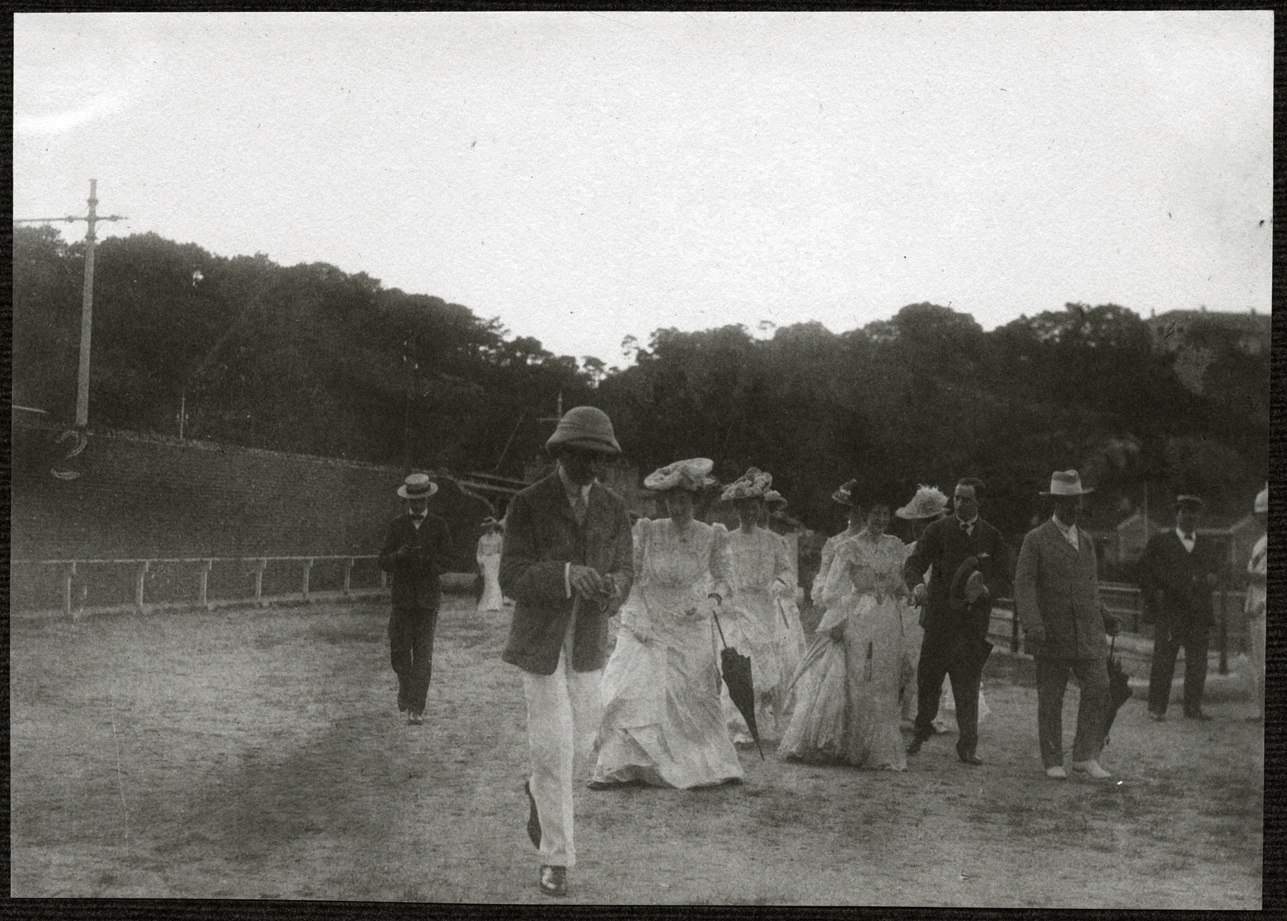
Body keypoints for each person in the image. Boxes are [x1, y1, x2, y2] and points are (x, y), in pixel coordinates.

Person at [499, 406, 634, 898]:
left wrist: (612, 588)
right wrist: (564, 574)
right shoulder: (528, 504)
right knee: (554, 749)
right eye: (584, 458)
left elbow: (625, 571)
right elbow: (510, 575)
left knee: (579, 744)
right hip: (540, 646)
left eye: (601, 459)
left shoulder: (614, 508)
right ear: (563, 453)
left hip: (588, 644)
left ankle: (538, 791)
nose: (593, 469)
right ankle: (557, 859)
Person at [590, 458, 743, 789]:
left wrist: (709, 603)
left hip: (691, 623)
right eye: (672, 500)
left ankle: (704, 762)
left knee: (693, 694)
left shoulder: (711, 535)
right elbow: (632, 577)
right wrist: (639, 616)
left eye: (684, 500)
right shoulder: (649, 530)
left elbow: (725, 581)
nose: (677, 507)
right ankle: (622, 765)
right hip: (649, 617)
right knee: (630, 689)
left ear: (695, 501)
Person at [781, 489, 909, 770]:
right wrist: (844, 613)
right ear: (865, 515)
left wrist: (907, 593)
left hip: (886, 619)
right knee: (861, 679)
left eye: (885, 514)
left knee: (884, 681)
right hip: (859, 618)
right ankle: (856, 747)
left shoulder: (895, 546)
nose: (881, 520)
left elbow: (900, 584)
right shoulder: (849, 547)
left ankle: (879, 750)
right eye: (875, 514)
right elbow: (829, 592)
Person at [1014, 470, 1120, 780]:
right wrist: (1032, 623)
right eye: (1067, 502)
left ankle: (1085, 755)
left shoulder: (1085, 540)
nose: (1073, 508)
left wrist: (1106, 615)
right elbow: (1024, 585)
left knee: (1099, 687)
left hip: (1086, 632)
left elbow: (1089, 587)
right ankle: (1052, 760)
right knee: (1051, 696)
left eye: (1078, 502)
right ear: (1055, 503)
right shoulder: (1036, 540)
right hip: (1051, 632)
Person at [904, 476, 1011, 765]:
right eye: (956, 497)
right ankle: (920, 731)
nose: (959, 503)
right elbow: (914, 564)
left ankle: (967, 746)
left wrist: (989, 590)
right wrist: (917, 585)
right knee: (928, 682)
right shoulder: (938, 530)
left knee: (967, 688)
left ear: (979, 502)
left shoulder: (991, 536)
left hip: (972, 626)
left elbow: (1005, 576)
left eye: (966, 498)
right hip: (939, 622)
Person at [719, 467, 793, 744]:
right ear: (736, 510)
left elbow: (786, 571)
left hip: (764, 607)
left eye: (753, 507)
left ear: (761, 508)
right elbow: (719, 574)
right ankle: (739, 725)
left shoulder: (775, 541)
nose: (748, 513)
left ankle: (759, 721)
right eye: (743, 508)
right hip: (737, 607)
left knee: (764, 670)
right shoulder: (726, 540)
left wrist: (778, 584)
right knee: (739, 663)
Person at [377, 472, 454, 725]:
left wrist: (428, 562)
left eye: (421, 500)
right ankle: (405, 687)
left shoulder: (439, 525)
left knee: (423, 655)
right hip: (402, 599)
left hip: (427, 600)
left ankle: (416, 708)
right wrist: (399, 555)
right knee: (399, 652)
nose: (417, 505)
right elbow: (383, 561)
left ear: (428, 499)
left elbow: (448, 562)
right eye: (413, 500)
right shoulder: (397, 525)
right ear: (408, 500)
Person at [1139, 494, 1224, 721]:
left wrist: (1211, 580)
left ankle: (1193, 707)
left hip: (1198, 613)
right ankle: (1157, 708)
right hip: (1170, 612)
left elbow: (1217, 572)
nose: (1189, 517)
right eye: (1185, 512)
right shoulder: (1160, 542)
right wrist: (1154, 600)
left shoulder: (1206, 545)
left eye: (1194, 513)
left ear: (1198, 517)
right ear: (1176, 514)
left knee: (1197, 663)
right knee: (1163, 660)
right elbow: (1144, 572)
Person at [893, 484, 949, 725]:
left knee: (926, 662)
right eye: (915, 523)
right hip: (906, 612)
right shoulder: (906, 552)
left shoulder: (945, 551)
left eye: (924, 523)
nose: (918, 529)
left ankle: (924, 713)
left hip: (933, 614)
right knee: (903, 659)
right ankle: (901, 708)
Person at [763, 489, 807, 710]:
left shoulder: (781, 542)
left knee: (787, 653)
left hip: (780, 600)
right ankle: (766, 700)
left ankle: (782, 699)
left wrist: (780, 585)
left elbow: (788, 573)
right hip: (760, 601)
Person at [811, 479, 864, 611]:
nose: (858, 513)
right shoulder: (835, 543)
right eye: (853, 510)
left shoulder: (874, 540)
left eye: (862, 509)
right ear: (847, 512)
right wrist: (821, 594)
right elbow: (824, 573)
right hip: (840, 600)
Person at [1244, 484, 1267, 723]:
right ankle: (1262, 710)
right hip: (1254, 602)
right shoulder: (1259, 542)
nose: (1263, 520)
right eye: (1261, 516)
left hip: (1265, 603)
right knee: (1258, 661)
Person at [476, 517, 505, 613]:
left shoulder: (498, 538)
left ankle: (495, 604)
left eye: (491, 527)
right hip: (486, 561)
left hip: (495, 560)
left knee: (494, 581)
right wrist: (480, 562)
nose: (490, 529)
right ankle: (487, 603)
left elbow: (501, 552)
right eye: (488, 527)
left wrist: (498, 561)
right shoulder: (482, 539)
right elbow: (479, 552)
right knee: (488, 581)